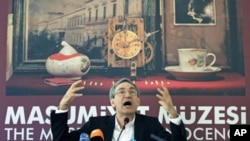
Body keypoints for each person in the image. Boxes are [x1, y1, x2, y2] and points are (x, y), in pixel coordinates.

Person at [50, 78, 187, 141]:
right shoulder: (96, 125)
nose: (127, 95)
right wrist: (63, 106)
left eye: (132, 92)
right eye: (121, 91)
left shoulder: (151, 126)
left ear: (138, 101)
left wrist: (172, 113)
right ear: (112, 102)